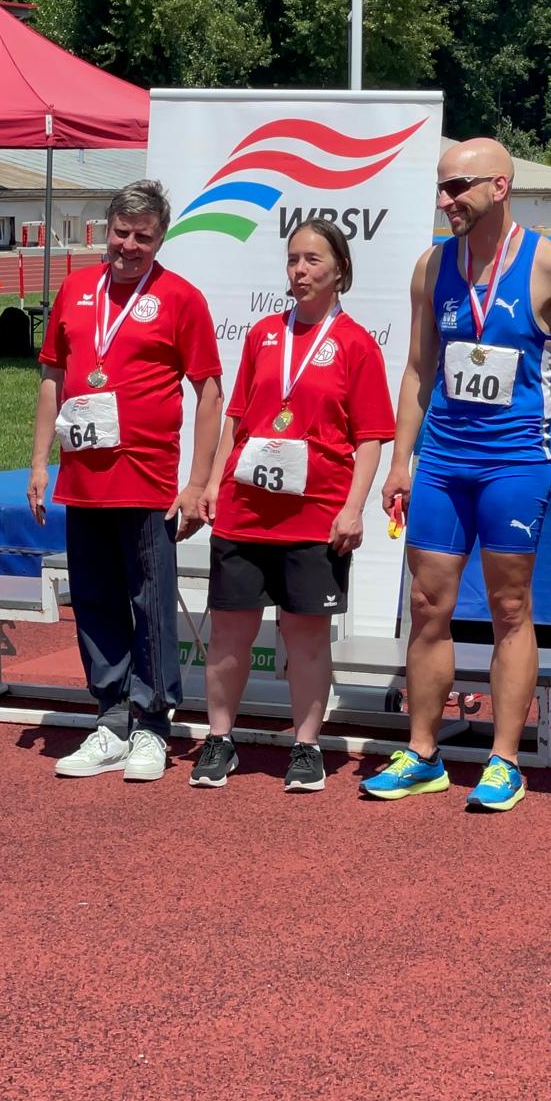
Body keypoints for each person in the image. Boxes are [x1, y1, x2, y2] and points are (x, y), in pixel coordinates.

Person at [362, 138, 551, 813]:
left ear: (499, 186)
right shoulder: (432, 266)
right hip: (444, 461)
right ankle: (423, 753)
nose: (445, 200)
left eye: (458, 187)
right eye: (441, 187)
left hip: (515, 462)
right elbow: (418, 368)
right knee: (428, 604)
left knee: (510, 607)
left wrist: (546, 356)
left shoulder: (549, 262)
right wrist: (400, 460)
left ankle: (504, 760)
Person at [27, 181, 223, 782]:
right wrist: (39, 463)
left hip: (147, 482)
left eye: (144, 236)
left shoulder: (180, 298)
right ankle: (110, 719)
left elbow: (210, 393)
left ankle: (152, 725)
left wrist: (197, 483)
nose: (129, 246)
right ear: (105, 230)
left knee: (151, 604)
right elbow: (52, 377)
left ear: (161, 239)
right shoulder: (76, 289)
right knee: (93, 600)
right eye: (121, 233)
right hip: (83, 480)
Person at [190, 220, 395, 792]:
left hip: (314, 517)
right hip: (245, 511)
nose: (300, 271)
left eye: (312, 260)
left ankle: (306, 747)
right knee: (228, 633)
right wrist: (214, 481)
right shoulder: (262, 334)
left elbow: (370, 438)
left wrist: (353, 508)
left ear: (340, 271)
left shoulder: (356, 343)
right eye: (293, 259)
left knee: (305, 638)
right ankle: (220, 739)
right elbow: (237, 417)